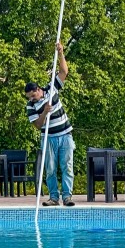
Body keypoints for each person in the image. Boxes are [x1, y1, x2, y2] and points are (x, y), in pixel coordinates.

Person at [24, 42, 75, 206]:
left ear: (38, 90)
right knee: (51, 169)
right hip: (49, 138)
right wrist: (45, 111)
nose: (31, 99)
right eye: (29, 97)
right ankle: (54, 197)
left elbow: (64, 72)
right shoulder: (31, 106)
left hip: (65, 135)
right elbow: (38, 125)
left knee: (67, 166)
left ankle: (67, 197)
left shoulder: (52, 88)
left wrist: (61, 53)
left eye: (32, 96)